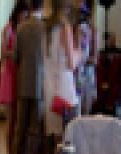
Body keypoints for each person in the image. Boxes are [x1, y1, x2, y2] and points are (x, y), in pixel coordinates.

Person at [10, 0, 46, 154]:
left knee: (20, 129)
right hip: (40, 85)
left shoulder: (21, 28)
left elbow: (15, 57)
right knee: (34, 131)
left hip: (23, 83)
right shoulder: (45, 29)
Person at [43, 0, 79, 137]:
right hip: (64, 85)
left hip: (49, 84)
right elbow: (71, 63)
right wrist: (79, 53)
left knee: (54, 132)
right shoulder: (65, 28)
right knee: (68, 132)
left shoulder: (46, 27)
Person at [0, 1, 29, 146]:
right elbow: (3, 52)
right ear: (17, 13)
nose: (24, 17)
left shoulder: (23, 29)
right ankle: (9, 150)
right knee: (10, 118)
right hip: (10, 74)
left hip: (20, 72)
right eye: (23, 14)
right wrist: (16, 53)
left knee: (19, 118)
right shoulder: (8, 28)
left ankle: (16, 149)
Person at [74, 1, 97, 115]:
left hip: (87, 73)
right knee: (75, 110)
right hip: (75, 74)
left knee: (86, 109)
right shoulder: (73, 28)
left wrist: (83, 60)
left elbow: (95, 59)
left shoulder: (92, 30)